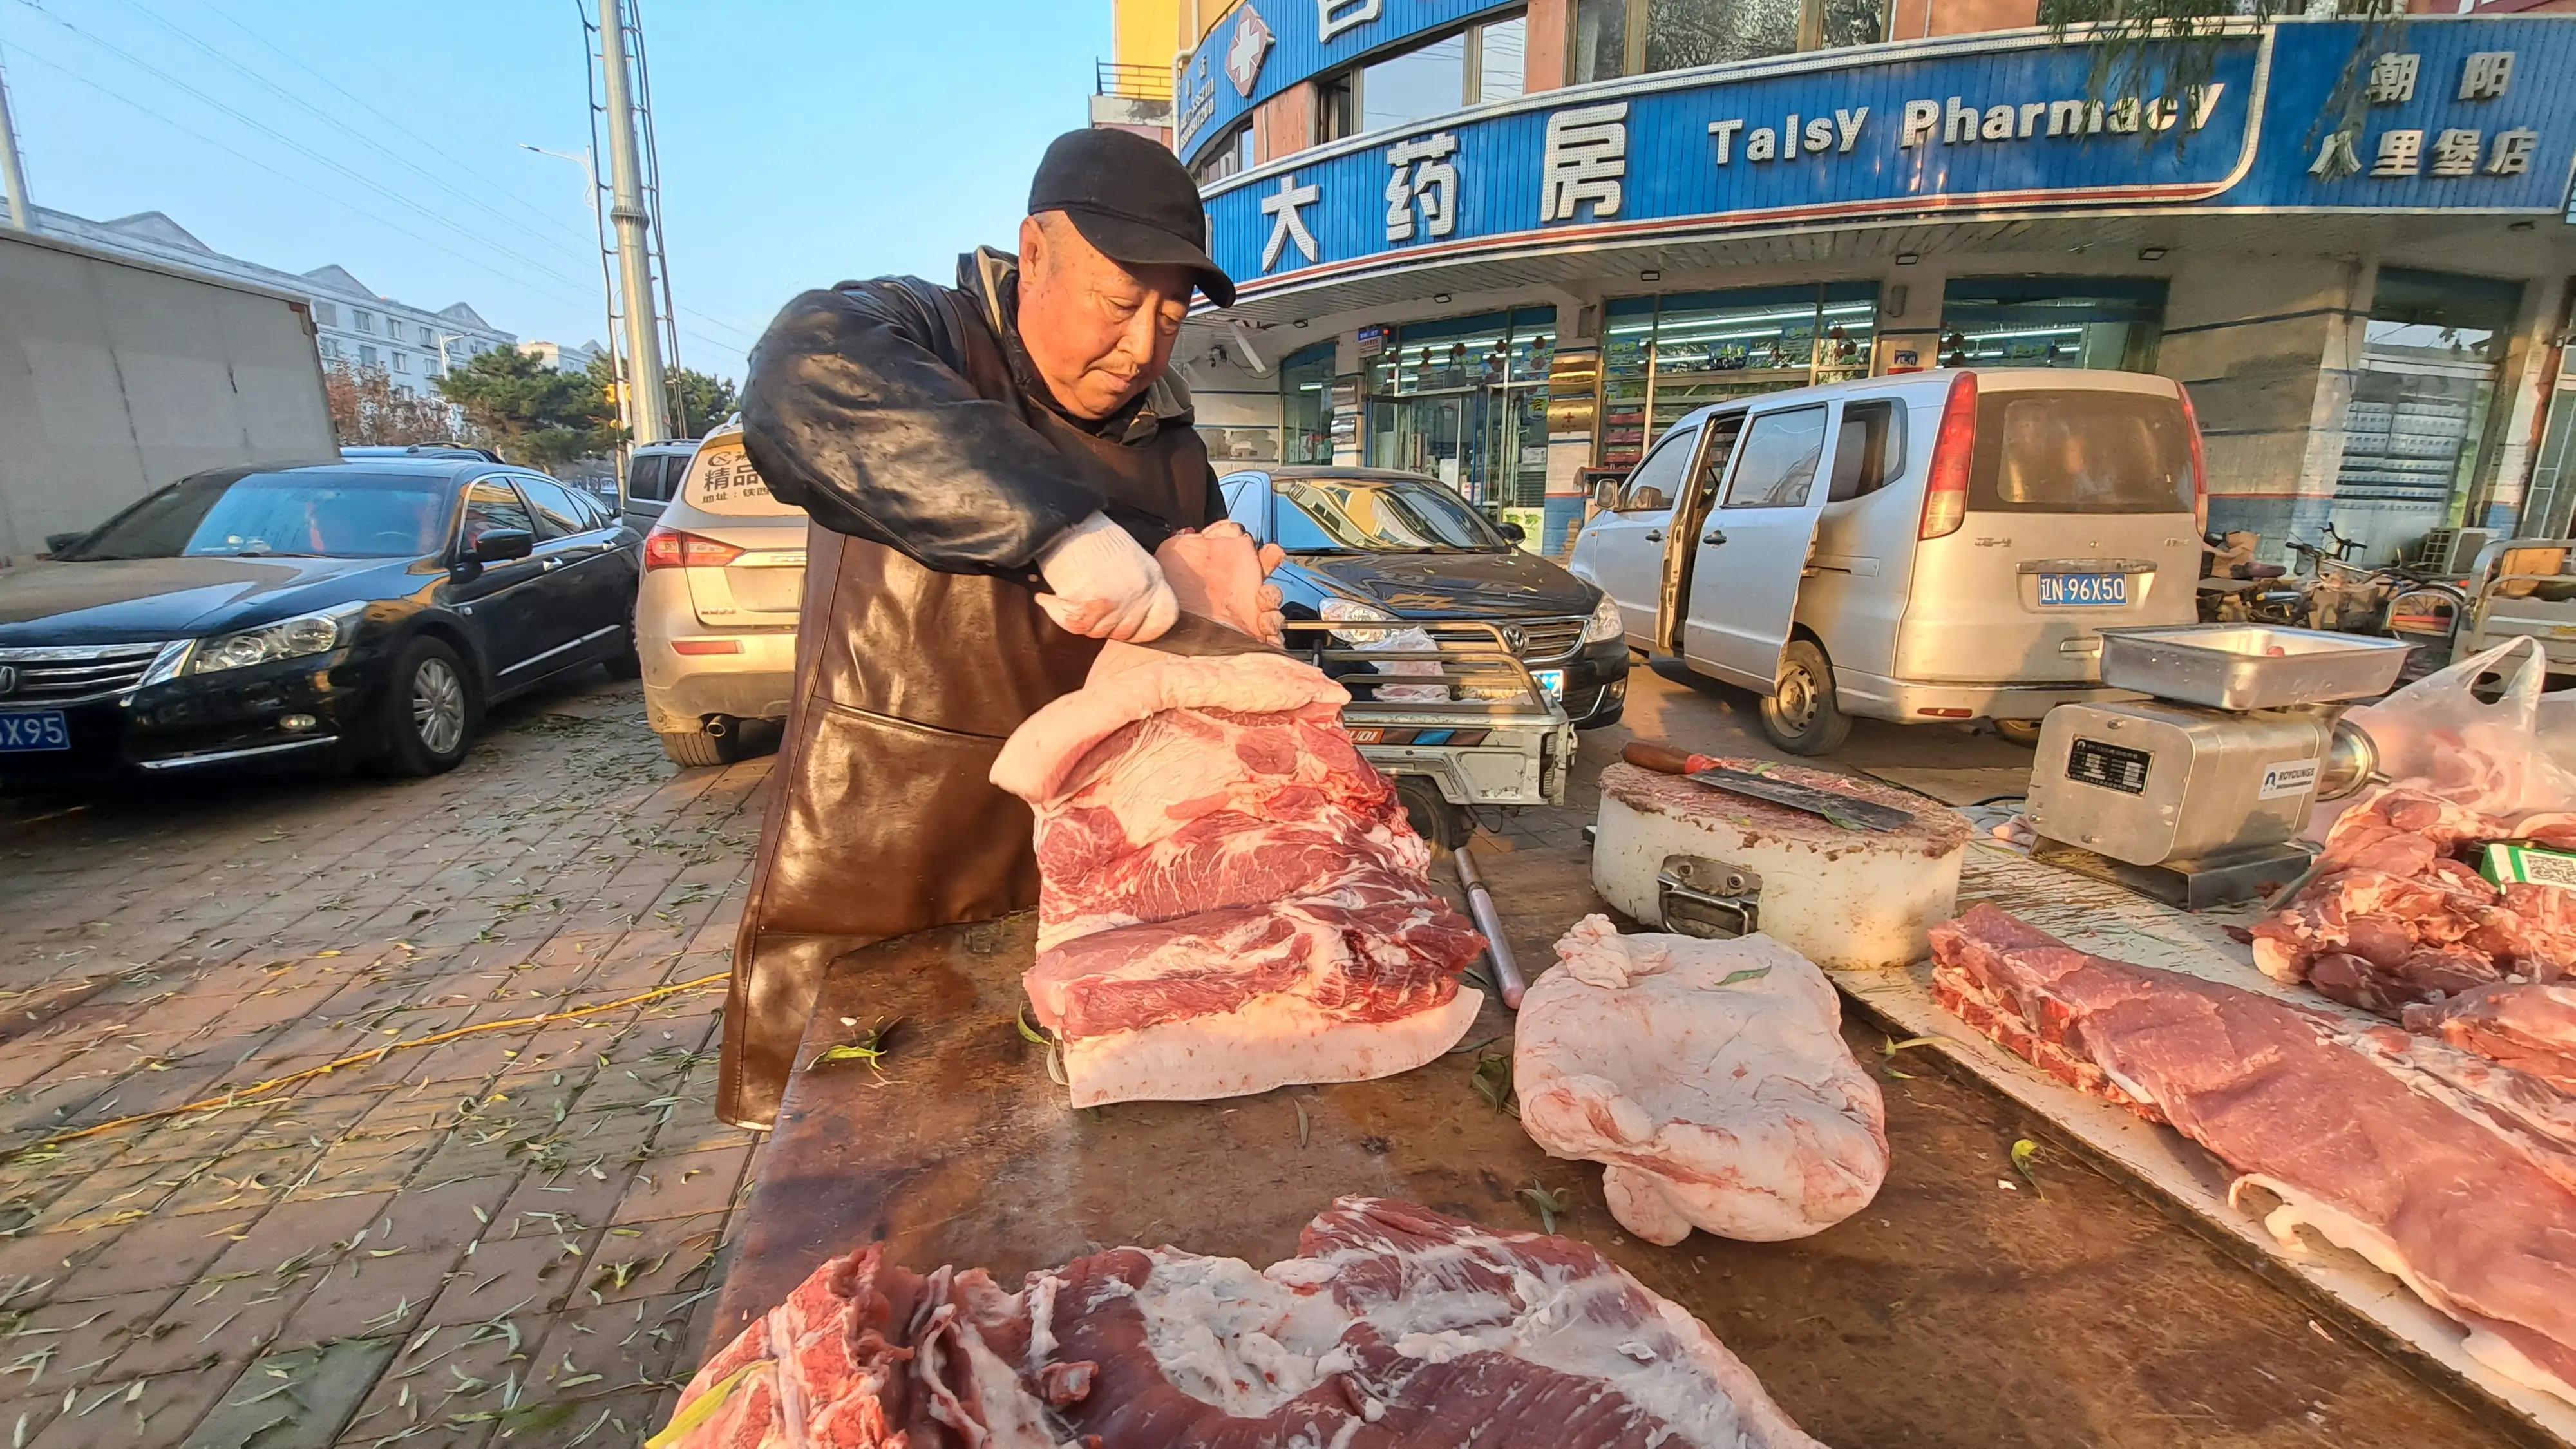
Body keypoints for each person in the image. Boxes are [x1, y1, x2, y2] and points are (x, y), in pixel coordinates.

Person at [719, 129, 1255, 1128]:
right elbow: (800, 379)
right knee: (856, 1183)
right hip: (891, 855)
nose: (1142, 344)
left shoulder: (1173, 449)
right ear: (1034, 251)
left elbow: (1209, 661)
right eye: (1119, 301)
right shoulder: (923, 333)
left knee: (1040, 1186)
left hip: (1083, 879)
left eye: (1170, 318)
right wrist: (1059, 523)